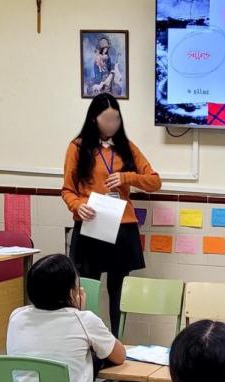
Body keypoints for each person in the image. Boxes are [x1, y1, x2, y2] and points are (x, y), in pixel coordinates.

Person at [63, 93, 161, 336]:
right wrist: (77, 205)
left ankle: (116, 342)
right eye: (107, 119)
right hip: (91, 224)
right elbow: (67, 189)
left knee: (119, 290)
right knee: (88, 288)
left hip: (121, 226)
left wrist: (127, 177)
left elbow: (154, 181)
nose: (112, 125)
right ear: (94, 119)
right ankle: (89, 340)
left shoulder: (127, 147)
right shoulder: (77, 147)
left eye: (116, 119)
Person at [6, 254, 130, 382]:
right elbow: (119, 355)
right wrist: (77, 311)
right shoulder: (85, 320)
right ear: (71, 292)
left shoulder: (16, 316)